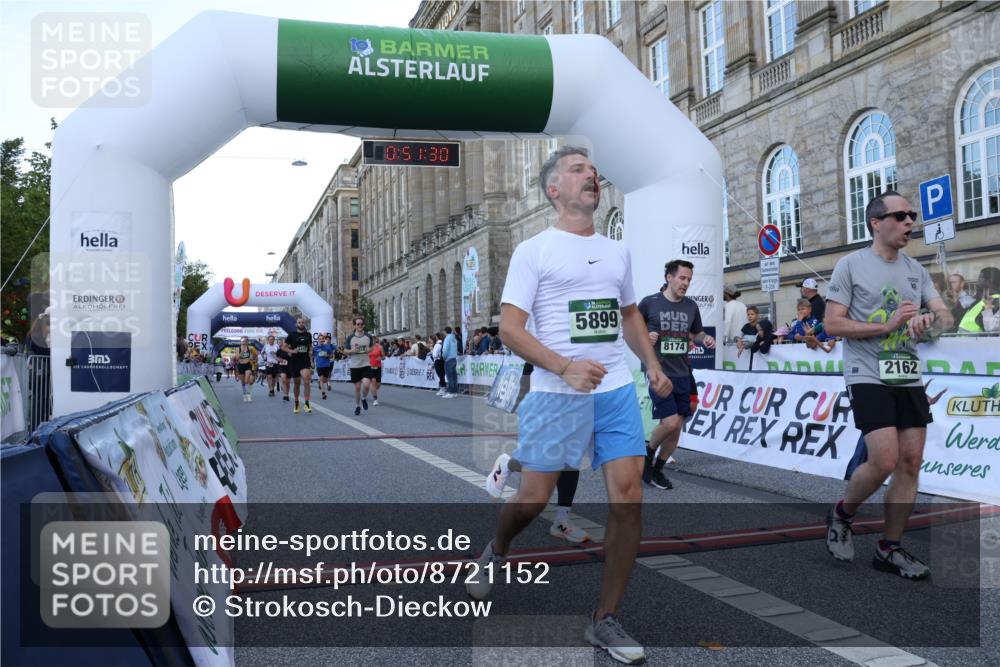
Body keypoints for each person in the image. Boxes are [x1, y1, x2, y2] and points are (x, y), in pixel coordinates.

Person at [468, 146, 670, 664]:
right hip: (558, 392)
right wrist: (563, 367)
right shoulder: (533, 250)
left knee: (628, 498)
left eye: (593, 171)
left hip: (616, 391)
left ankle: (604, 619)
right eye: (578, 170)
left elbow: (628, 314)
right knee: (533, 500)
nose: (592, 176)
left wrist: (649, 362)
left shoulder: (617, 251)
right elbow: (510, 329)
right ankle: (498, 550)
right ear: (553, 189)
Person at [824, 190, 953, 580]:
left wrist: (930, 321)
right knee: (884, 460)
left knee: (911, 463)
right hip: (867, 373)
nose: (910, 221)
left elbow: (947, 316)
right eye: (901, 215)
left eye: (912, 215)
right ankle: (842, 513)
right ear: (876, 223)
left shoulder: (916, 269)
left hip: (906, 374)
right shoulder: (850, 265)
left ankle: (889, 548)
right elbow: (832, 324)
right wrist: (887, 325)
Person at [638, 259, 715, 490]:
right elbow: (632, 330)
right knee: (670, 422)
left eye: (689, 279)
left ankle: (657, 470)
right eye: (682, 278)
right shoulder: (649, 303)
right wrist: (645, 336)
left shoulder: (691, 306)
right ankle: (646, 456)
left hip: (683, 372)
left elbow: (697, 333)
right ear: (669, 277)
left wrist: (706, 339)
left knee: (677, 424)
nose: (686, 283)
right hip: (658, 372)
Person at [282, 318, 314, 414]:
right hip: (295, 362)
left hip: (305, 361)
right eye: (299, 322)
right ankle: (296, 402)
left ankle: (307, 403)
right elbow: (283, 347)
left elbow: (310, 347)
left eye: (303, 322)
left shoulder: (308, 335)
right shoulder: (292, 335)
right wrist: (292, 351)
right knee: (297, 384)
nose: (301, 324)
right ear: (296, 324)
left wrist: (311, 357)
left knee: (307, 380)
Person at [958, 266, 1000, 333]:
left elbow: (990, 328)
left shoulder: (995, 300)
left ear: (989, 281)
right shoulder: (985, 299)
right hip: (965, 341)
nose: (978, 280)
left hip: (975, 341)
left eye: (980, 278)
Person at [345, 317, 373, 415]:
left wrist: (368, 349)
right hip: (355, 366)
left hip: (365, 364)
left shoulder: (368, 337)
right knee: (357, 388)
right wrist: (352, 351)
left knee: (366, 384)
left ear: (363, 325)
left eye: (361, 324)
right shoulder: (350, 338)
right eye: (357, 324)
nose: (359, 326)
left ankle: (363, 398)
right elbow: (345, 351)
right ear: (354, 325)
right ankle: (357, 406)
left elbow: (371, 348)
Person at [314, 334, 335, 400]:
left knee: (325, 380)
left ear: (324, 340)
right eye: (319, 339)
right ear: (318, 340)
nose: (321, 340)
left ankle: (319, 381)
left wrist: (328, 356)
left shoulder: (327, 347)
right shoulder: (315, 348)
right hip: (319, 365)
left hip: (326, 365)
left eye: (322, 339)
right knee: (321, 378)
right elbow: (311, 356)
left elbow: (331, 355)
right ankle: (323, 393)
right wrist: (311, 362)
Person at [234, 337, 255, 402]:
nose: (244, 342)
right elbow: (237, 358)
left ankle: (248, 395)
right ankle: (244, 395)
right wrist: (242, 351)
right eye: (242, 341)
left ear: (247, 342)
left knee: (247, 381)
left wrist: (252, 357)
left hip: (248, 365)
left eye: (245, 341)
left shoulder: (251, 348)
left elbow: (253, 356)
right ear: (240, 342)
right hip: (240, 365)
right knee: (243, 382)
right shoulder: (238, 348)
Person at [442, 325, 459, 398]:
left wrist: (444, 356)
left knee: (449, 377)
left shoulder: (447, 338)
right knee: (454, 376)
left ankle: (450, 392)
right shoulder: (454, 338)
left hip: (448, 359)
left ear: (445, 331)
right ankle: (455, 391)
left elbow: (445, 349)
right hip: (454, 358)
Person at [368, 334, 384, 406]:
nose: (373, 340)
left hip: (378, 367)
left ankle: (374, 390)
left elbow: (384, 357)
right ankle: (375, 399)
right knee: (373, 382)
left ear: (375, 339)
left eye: (374, 338)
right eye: (371, 339)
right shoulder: (367, 348)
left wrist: (380, 358)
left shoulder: (380, 347)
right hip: (370, 367)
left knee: (378, 385)